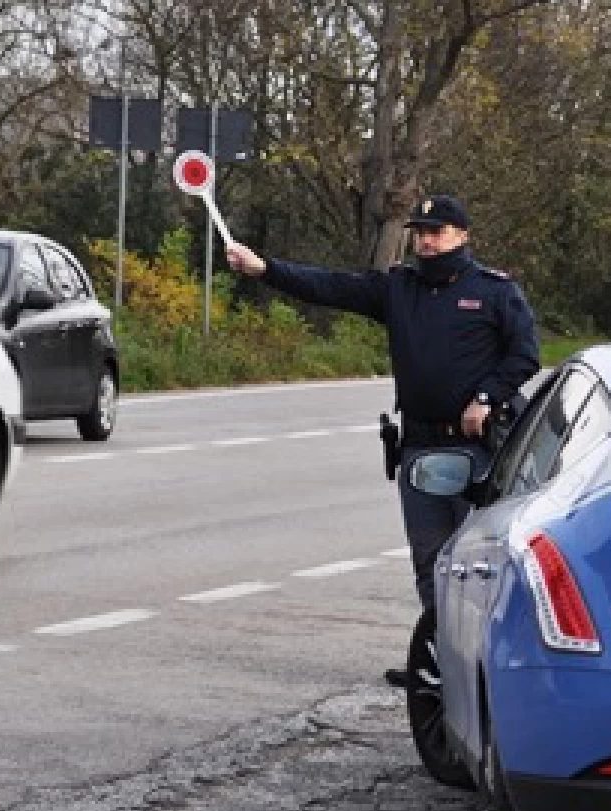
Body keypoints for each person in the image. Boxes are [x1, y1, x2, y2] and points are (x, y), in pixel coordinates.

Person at [223, 194, 540, 684]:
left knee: (478, 561)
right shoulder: (399, 288)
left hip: (481, 451)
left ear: (462, 236)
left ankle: (493, 663)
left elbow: (525, 357)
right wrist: (265, 268)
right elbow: (330, 286)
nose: (426, 242)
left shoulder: (495, 291)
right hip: (420, 449)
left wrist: (486, 397)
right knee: (430, 560)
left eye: (436, 233)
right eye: (420, 233)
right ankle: (444, 663)